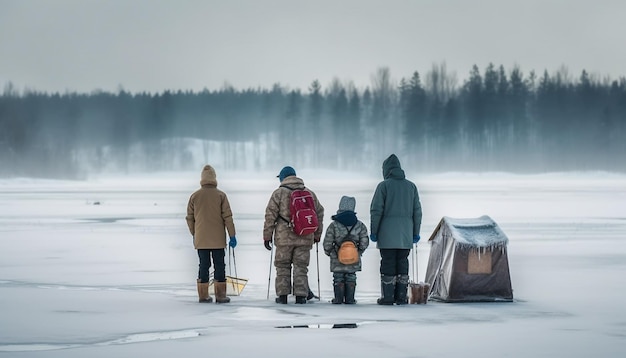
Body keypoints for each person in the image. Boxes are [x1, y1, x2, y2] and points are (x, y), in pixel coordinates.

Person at [263, 166, 324, 304]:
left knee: (283, 266)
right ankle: (301, 296)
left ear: (283, 178)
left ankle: (282, 296)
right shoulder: (309, 193)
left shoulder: (278, 193)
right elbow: (319, 213)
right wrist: (317, 234)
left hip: (284, 238)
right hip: (305, 236)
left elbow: (270, 216)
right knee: (301, 267)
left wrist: (267, 236)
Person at [370, 154, 422, 305]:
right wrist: (415, 233)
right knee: (402, 263)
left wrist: (374, 231)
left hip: (386, 235)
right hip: (405, 235)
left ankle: (387, 297)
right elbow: (417, 212)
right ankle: (401, 297)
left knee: (387, 263)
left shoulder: (383, 186)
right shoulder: (411, 186)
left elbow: (376, 210)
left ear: (386, 170)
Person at [186, 165, 237, 304]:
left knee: (203, 265)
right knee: (219, 265)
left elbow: (189, 218)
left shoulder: (195, 196)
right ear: (214, 178)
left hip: (201, 239)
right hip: (218, 239)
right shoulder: (221, 195)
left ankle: (203, 296)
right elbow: (228, 217)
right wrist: (232, 235)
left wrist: (195, 233)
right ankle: (220, 296)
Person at [322, 196, 369, 304]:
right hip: (353, 256)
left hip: (337, 256)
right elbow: (364, 242)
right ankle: (350, 299)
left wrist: (330, 252)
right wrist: (358, 252)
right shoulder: (359, 225)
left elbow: (328, 242)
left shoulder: (334, 225)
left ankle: (338, 299)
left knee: (338, 277)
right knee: (351, 277)